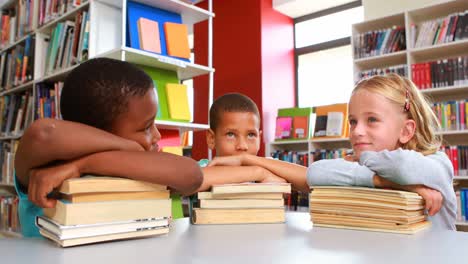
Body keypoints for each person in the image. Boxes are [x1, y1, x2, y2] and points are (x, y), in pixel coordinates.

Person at [209, 74, 456, 230]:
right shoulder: (366, 168)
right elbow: (316, 172)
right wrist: (384, 181)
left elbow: (403, 167)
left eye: (372, 120)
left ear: (406, 130)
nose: (357, 131)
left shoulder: (437, 163)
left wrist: (363, 161)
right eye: (353, 121)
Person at [14, 58, 203, 237]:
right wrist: (127, 146)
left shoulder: (142, 166)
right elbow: (43, 133)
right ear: (95, 132)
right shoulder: (40, 170)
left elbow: (193, 175)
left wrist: (83, 165)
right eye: (146, 127)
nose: (157, 135)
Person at [195, 93, 285, 192]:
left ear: (259, 138)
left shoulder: (268, 165)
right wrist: (259, 173)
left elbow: (288, 185)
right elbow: (195, 180)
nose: (242, 146)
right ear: (211, 138)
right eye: (231, 134)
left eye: (251, 135)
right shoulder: (203, 167)